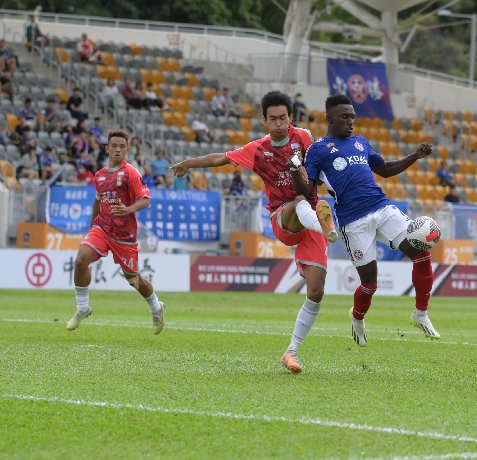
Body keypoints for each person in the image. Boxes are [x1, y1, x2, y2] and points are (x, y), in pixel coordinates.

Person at [171, 90, 337, 374]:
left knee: (317, 290)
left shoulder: (305, 137)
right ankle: (324, 224)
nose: (278, 124)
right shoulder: (258, 150)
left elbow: (323, 165)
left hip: (311, 215)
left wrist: (334, 185)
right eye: (272, 119)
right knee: (298, 201)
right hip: (283, 216)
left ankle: (291, 353)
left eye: (283, 118)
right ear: (264, 121)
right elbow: (220, 158)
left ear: (290, 118)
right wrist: (188, 163)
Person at [292, 94, 441, 347]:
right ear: (329, 118)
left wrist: (414, 156)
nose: (351, 121)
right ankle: (357, 317)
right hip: (353, 221)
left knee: (421, 252)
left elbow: (384, 169)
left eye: (353, 117)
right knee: (370, 284)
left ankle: (421, 313)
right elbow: (309, 190)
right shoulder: (318, 150)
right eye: (345, 117)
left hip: (382, 207)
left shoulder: (360, 142)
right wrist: (296, 169)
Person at [66, 129, 165, 334]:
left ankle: (156, 307)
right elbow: (98, 201)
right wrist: (92, 226)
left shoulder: (131, 173)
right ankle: (83, 307)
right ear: (107, 148)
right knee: (81, 259)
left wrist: (128, 209)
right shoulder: (100, 176)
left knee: (134, 280)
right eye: (114, 146)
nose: (118, 150)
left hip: (124, 235)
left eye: (122, 146)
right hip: (102, 228)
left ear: (127, 149)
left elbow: (145, 200)